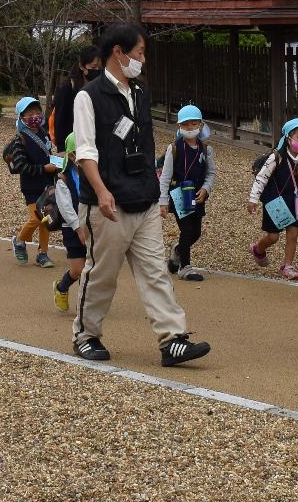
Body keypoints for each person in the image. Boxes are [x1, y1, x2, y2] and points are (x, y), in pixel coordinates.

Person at [69, 21, 209, 368]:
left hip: (143, 198)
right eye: (140, 52)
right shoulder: (88, 96)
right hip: (109, 203)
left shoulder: (141, 93)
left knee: (156, 273)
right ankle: (86, 335)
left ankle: (172, 339)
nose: (142, 59)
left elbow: (145, 146)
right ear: (119, 52)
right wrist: (101, 191)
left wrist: (157, 191)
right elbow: (85, 151)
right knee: (102, 273)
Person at [247, 117, 298, 280]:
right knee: (273, 236)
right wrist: (253, 198)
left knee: (293, 233)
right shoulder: (276, 157)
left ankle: (288, 265)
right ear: (288, 138)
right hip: (275, 201)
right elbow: (262, 177)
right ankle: (258, 249)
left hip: (294, 199)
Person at [159, 104, 214, 281]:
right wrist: (163, 201)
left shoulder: (206, 149)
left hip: (197, 196)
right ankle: (185, 267)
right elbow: (166, 177)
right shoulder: (173, 148)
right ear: (179, 127)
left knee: (196, 232)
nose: (190, 128)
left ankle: (178, 250)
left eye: (193, 124)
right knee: (187, 229)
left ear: (200, 125)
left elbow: (210, 173)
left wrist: (206, 188)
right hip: (178, 195)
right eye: (185, 124)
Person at [9, 96, 59, 266]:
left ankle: (42, 254)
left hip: (47, 185)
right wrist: (44, 169)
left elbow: (49, 155)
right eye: (29, 113)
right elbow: (21, 166)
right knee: (37, 218)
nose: (34, 115)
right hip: (30, 187)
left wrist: (58, 162)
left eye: (37, 111)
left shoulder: (45, 134)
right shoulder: (20, 140)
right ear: (21, 116)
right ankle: (19, 240)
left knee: (47, 219)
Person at [49, 134, 86, 312]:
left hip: (93, 225)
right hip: (72, 228)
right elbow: (66, 208)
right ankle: (61, 287)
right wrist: (78, 228)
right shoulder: (63, 180)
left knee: (94, 268)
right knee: (78, 269)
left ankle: (87, 304)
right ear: (72, 156)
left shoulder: (95, 174)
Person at [51, 47, 100, 149]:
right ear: (82, 66)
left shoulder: (98, 88)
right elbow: (59, 121)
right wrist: (62, 148)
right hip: (73, 145)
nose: (97, 71)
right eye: (94, 67)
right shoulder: (67, 89)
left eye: (100, 68)